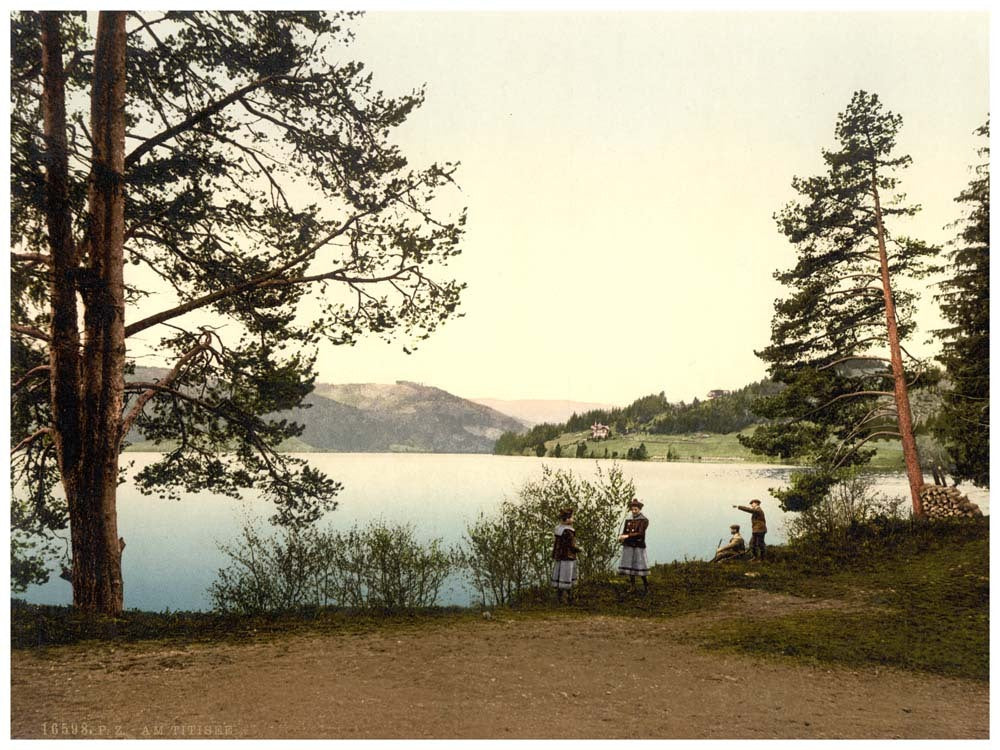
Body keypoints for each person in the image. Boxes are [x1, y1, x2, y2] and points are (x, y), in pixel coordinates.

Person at [618, 498, 650, 593]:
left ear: (639, 509)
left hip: (638, 546)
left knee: (640, 566)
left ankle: (646, 586)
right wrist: (622, 538)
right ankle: (632, 586)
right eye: (633, 509)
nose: (634, 511)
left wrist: (627, 536)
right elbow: (625, 531)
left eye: (636, 509)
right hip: (629, 545)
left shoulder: (644, 520)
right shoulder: (628, 520)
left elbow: (640, 533)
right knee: (630, 566)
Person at [551, 507, 580, 603]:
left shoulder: (558, 530)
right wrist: (578, 549)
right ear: (567, 519)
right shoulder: (568, 531)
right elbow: (571, 545)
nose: (573, 519)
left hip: (559, 556)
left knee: (559, 576)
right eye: (572, 517)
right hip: (568, 556)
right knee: (567, 576)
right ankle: (567, 598)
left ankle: (559, 597)